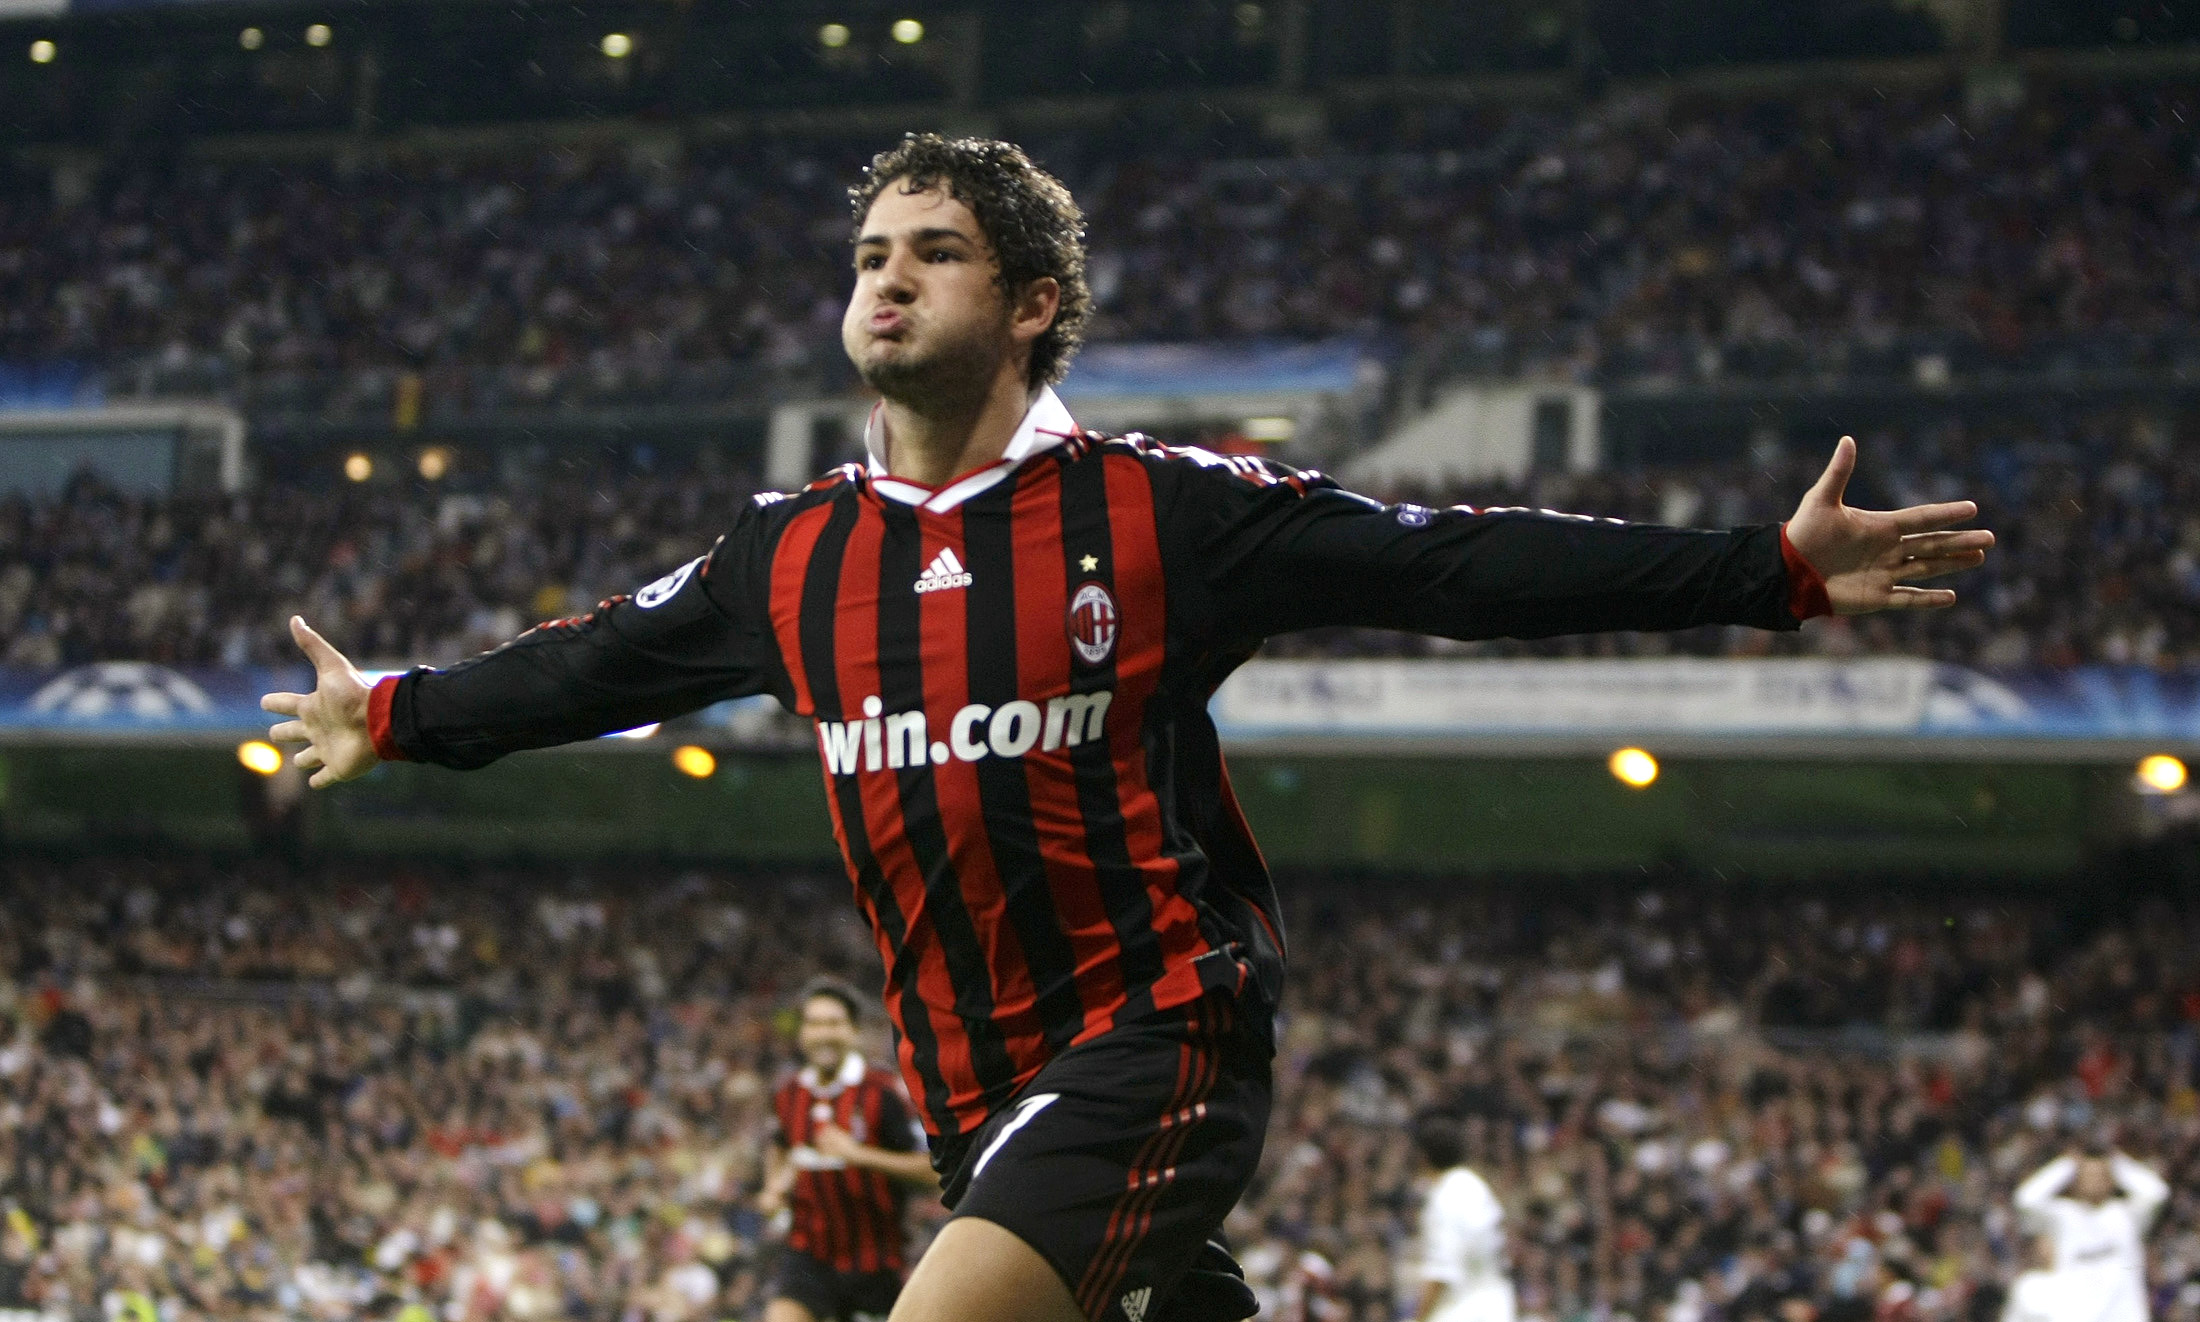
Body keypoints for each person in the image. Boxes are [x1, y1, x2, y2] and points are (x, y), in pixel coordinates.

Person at [260, 133, 1993, 1322]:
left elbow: (1450, 561)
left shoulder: (1160, 510)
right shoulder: (786, 552)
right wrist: (397, 713)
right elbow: (588, 663)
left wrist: (1768, 570)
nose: (889, 277)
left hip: (1156, 1034)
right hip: (969, 1087)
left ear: (1029, 306)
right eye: (870, 253)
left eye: (937, 250)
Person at [760, 979, 936, 1322]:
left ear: (853, 1031)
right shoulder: (788, 1094)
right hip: (809, 1254)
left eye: (833, 1023)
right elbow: (780, 1146)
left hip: (875, 1259)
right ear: (802, 1033)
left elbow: (931, 1171)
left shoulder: (883, 1093)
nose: (823, 1033)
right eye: (814, 1023)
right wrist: (773, 1187)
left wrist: (858, 1155)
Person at [2012, 1146, 2168, 1322]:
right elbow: (2025, 1199)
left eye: (2100, 1175)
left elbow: (2158, 1193)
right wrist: (2066, 1165)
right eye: (2088, 1175)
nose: (2094, 1181)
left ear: (2111, 1180)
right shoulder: (2063, 1217)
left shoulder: (2127, 1215)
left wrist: (2118, 1163)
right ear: (2076, 1181)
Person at [1409, 1115, 1513, 1322]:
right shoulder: (1477, 1187)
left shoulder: (1444, 1198)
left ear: (1423, 1157)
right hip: (1498, 1306)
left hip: (1465, 1310)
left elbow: (1441, 1273)